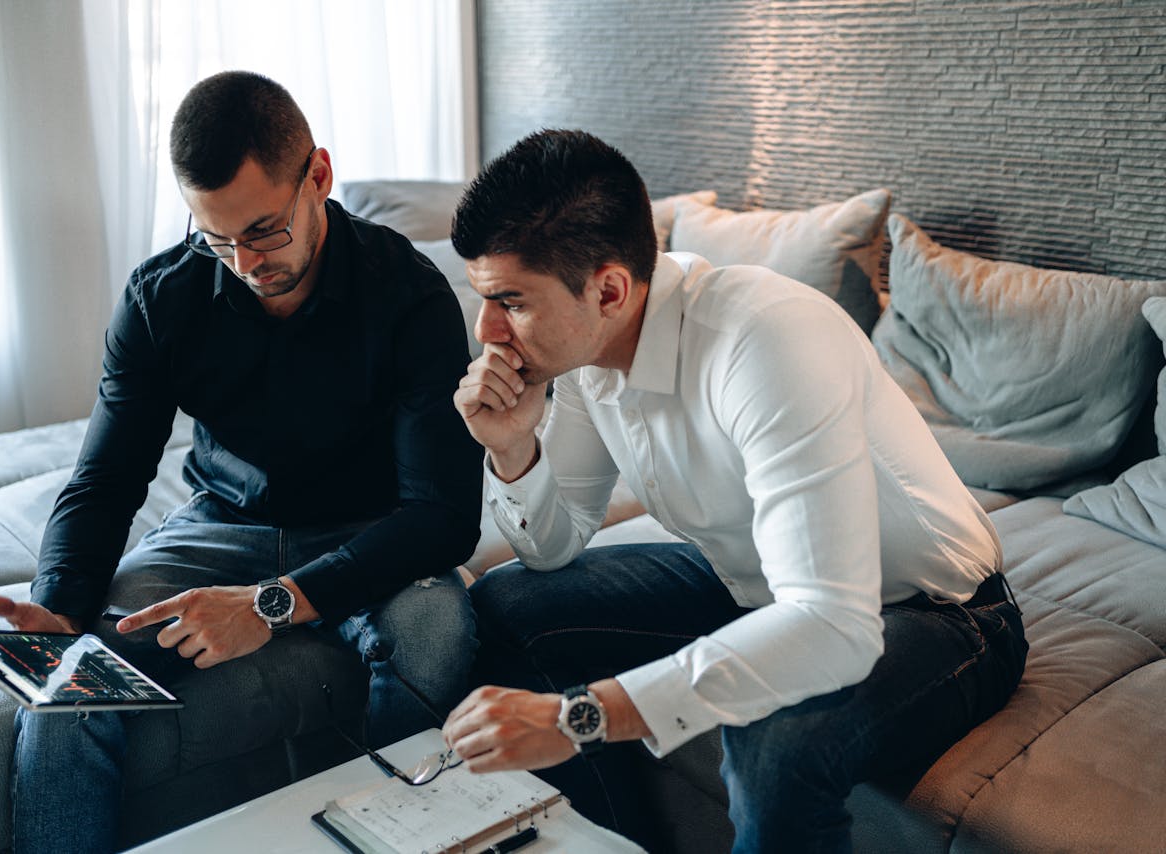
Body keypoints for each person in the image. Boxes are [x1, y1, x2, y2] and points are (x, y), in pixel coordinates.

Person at [440, 129, 1028, 852]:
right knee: (507, 603)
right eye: (483, 299)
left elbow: (833, 624)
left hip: (937, 612)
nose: (487, 331)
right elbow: (553, 548)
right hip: (750, 577)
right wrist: (513, 448)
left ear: (609, 289)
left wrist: (578, 717)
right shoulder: (590, 353)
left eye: (510, 302)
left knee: (770, 746)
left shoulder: (766, 339)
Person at [0, 70, 483, 853]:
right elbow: (107, 478)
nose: (245, 264)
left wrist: (270, 605)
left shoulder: (411, 296)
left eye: (264, 231)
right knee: (64, 686)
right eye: (216, 238)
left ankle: (402, 832)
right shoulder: (161, 298)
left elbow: (444, 517)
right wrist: (62, 604)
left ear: (317, 175)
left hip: (372, 532)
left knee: (438, 626)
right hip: (221, 525)